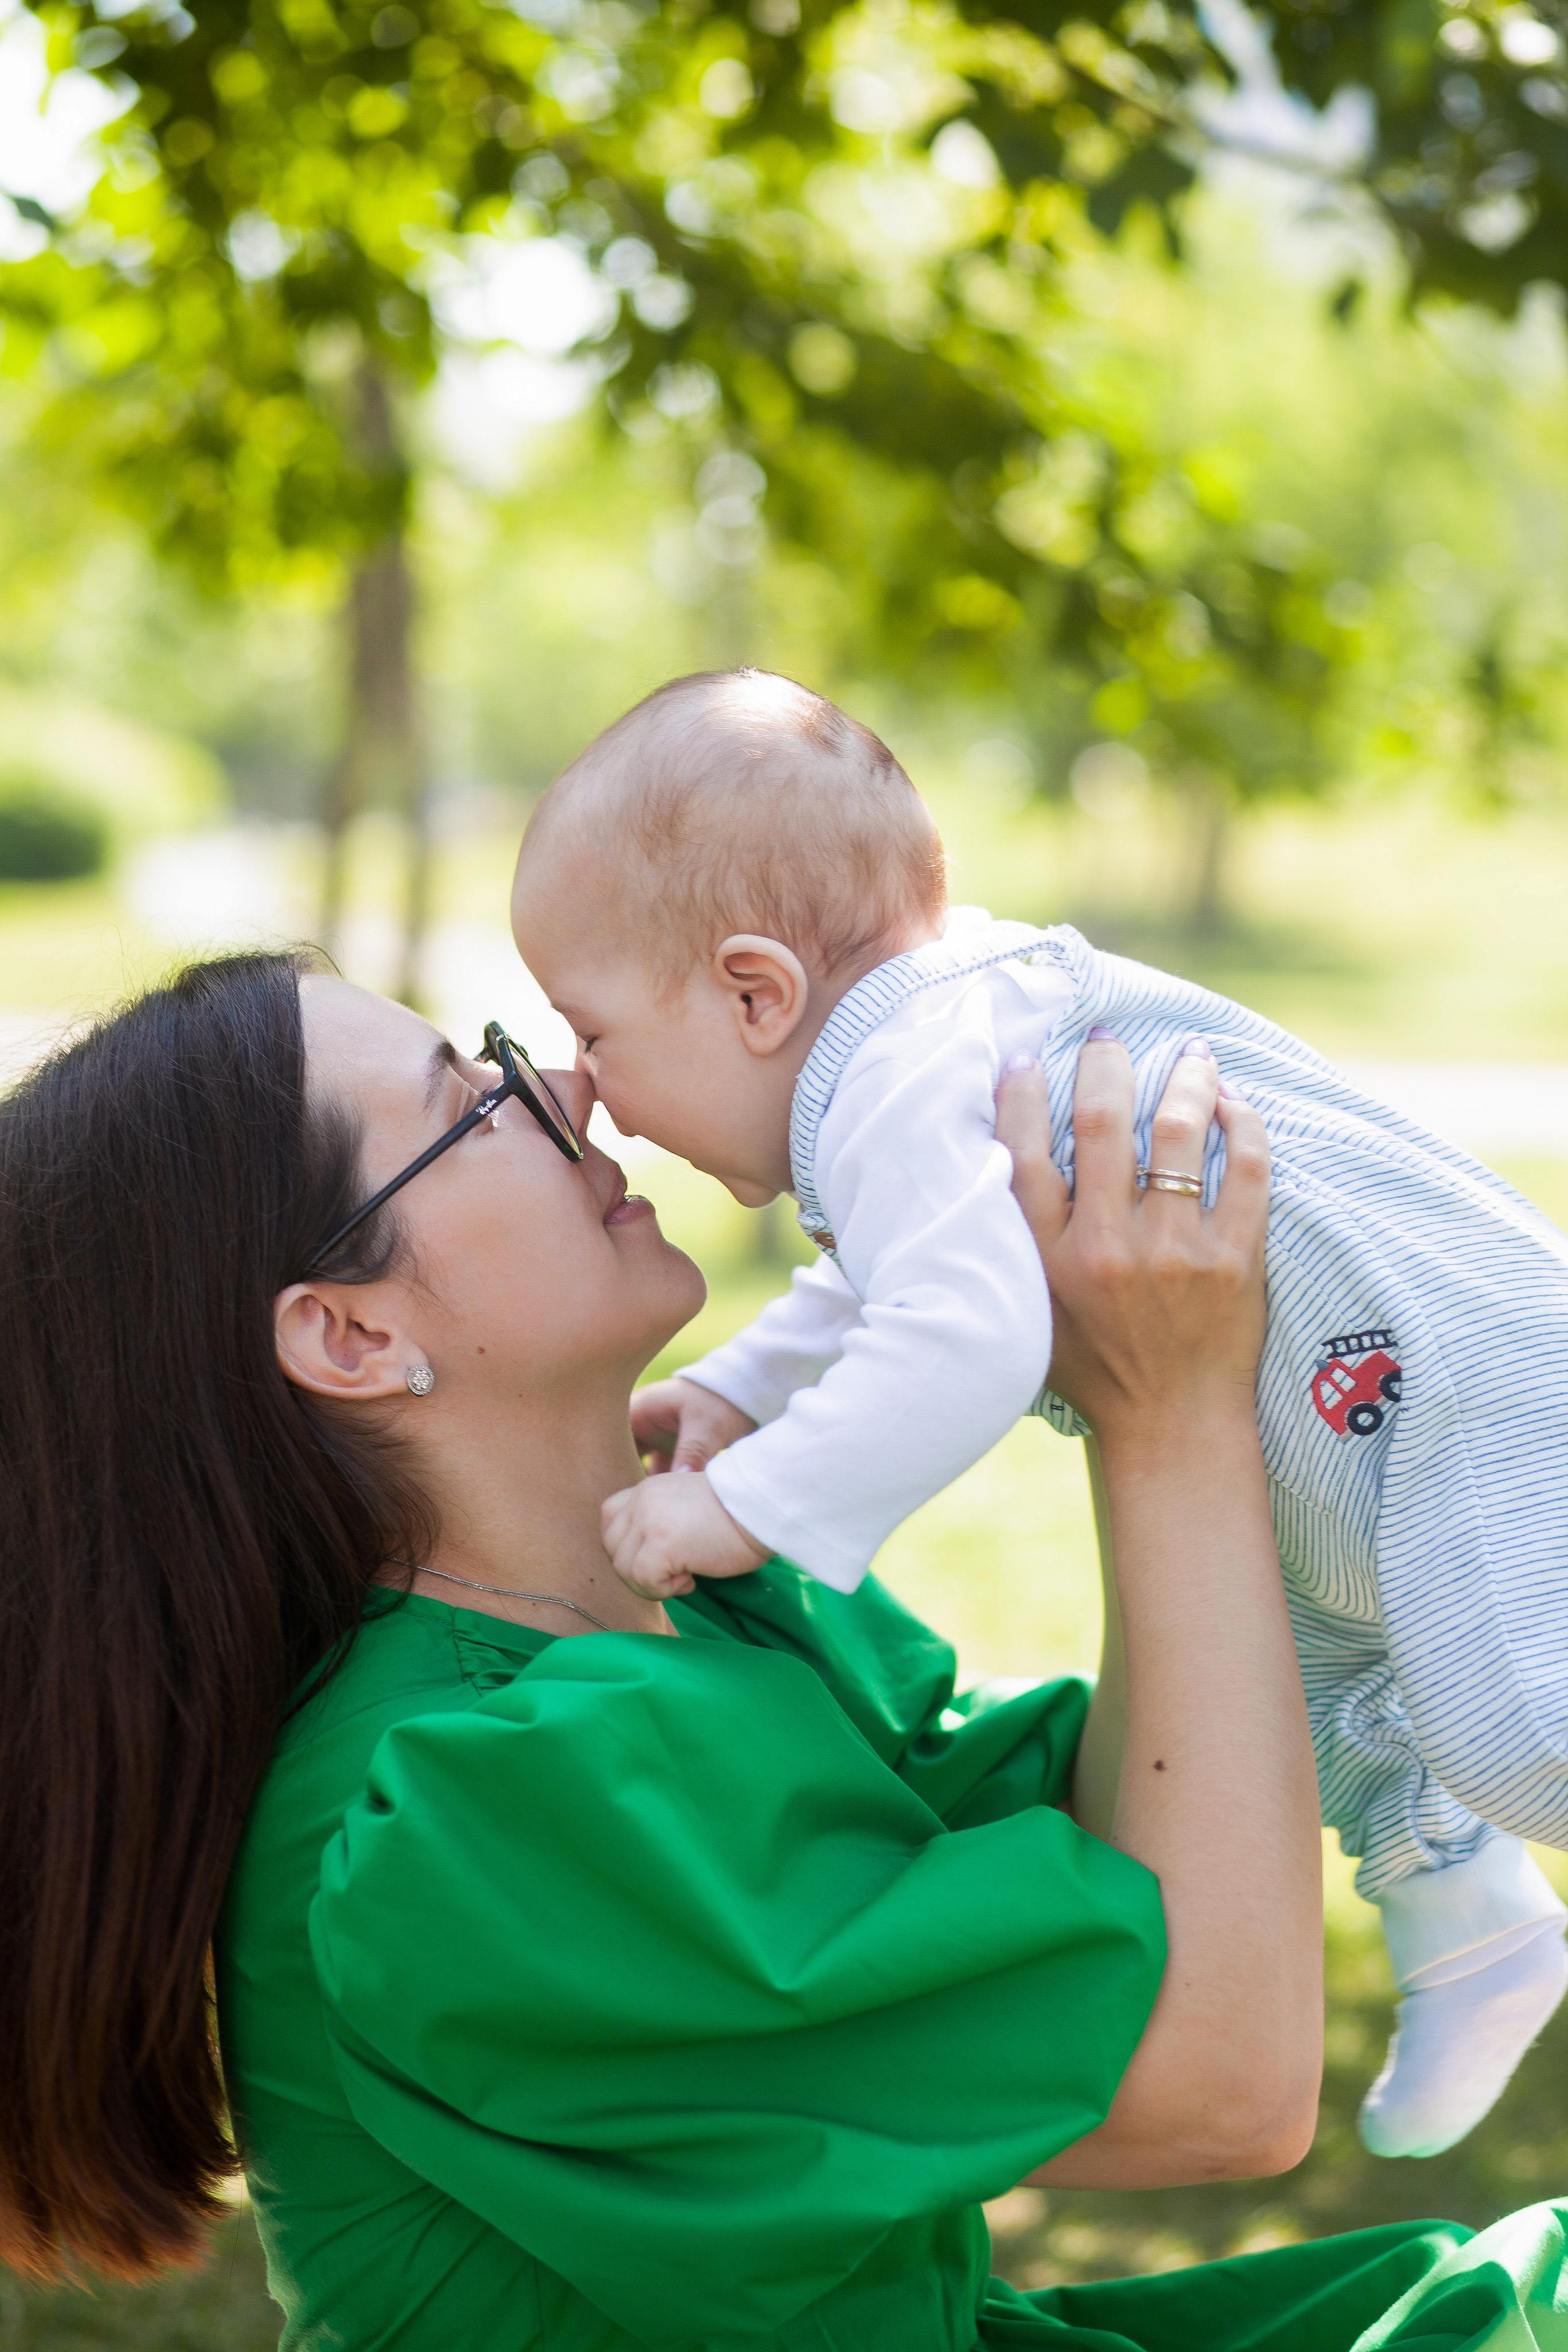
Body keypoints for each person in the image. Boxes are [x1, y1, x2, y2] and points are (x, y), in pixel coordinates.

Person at [0, 949, 1561, 2352]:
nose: (564, 1083)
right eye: (469, 1099)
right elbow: (1217, 2080)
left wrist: (1173, 1375)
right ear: (350, 1337)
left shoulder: (697, 1587)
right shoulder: (457, 1815)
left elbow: (1138, 1858)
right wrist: (1164, 1415)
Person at [510, 667, 1568, 2162]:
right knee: (1329, 1688)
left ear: (755, 993)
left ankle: (1475, 1895)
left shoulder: (890, 1072)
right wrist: (746, 1389)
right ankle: (1469, 1930)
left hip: (1449, 1376)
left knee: (1518, 1724)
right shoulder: (914, 1045)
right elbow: (895, 1273)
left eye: (591, 1030)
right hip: (1330, 1420)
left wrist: (742, 1510)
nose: (590, 1094)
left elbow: (966, 1332)